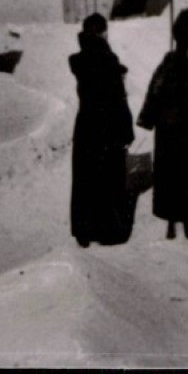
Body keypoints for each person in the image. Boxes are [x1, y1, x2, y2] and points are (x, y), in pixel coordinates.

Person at [138, 9, 188, 242]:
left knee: (169, 173)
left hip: (167, 126)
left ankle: (171, 222)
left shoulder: (170, 60)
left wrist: (147, 118)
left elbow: (156, 88)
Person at [68, 15, 136, 248]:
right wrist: (127, 130)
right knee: (108, 177)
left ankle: (83, 231)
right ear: (103, 33)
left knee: (84, 177)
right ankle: (108, 232)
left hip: (85, 123)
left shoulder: (77, 60)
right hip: (108, 124)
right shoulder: (109, 59)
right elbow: (118, 98)